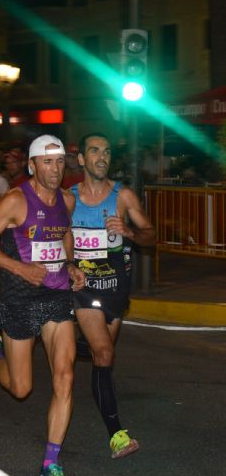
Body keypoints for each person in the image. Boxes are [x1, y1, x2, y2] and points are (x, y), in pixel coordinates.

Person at [0, 135, 85, 476]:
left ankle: (51, 464)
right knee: (20, 389)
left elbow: (64, 234)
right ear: (33, 165)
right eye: (47, 162)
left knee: (65, 375)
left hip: (56, 295)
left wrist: (70, 262)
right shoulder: (15, 201)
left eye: (60, 162)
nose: (55, 169)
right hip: (19, 298)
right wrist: (18, 268)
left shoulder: (67, 200)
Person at [70, 132, 156, 458]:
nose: (102, 156)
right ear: (81, 159)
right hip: (83, 289)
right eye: (94, 150)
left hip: (116, 292)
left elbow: (151, 235)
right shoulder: (68, 199)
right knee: (104, 353)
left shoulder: (123, 197)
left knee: (98, 354)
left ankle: (41, 338)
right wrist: (67, 265)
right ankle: (116, 434)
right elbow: (58, 239)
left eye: (106, 151)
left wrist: (129, 231)